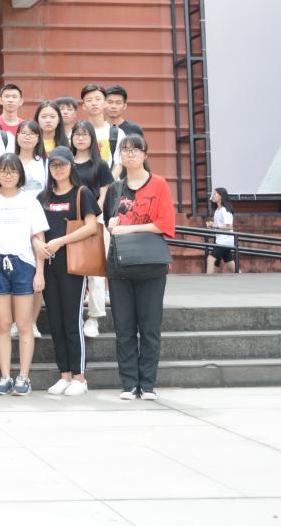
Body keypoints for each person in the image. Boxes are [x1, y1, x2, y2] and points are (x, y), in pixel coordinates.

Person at [106, 134, 175, 400]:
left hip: (150, 265)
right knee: (124, 327)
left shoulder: (158, 184)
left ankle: (147, 384)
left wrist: (128, 228)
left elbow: (164, 224)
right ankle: (128, 383)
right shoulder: (116, 188)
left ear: (146, 155)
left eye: (136, 150)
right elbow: (110, 222)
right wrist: (113, 225)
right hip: (120, 265)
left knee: (149, 326)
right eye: (125, 150)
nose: (130, 154)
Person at [39, 146, 102, 396]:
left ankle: (79, 377)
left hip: (73, 264)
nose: (58, 169)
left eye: (62, 165)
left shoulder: (81, 193)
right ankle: (64, 374)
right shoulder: (43, 197)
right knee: (55, 321)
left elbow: (91, 226)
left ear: (70, 166)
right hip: (49, 265)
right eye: (53, 165)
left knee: (72, 321)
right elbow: (36, 230)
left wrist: (60, 241)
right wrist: (41, 245)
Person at [0, 154, 48, 396]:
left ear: (20, 174)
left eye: (12, 171)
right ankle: (5, 376)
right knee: (2, 324)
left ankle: (23, 376)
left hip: (24, 264)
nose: (7, 175)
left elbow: (39, 238)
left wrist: (39, 272)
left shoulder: (30, 201)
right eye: (3, 170)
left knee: (23, 323)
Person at [69, 120, 113, 338]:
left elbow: (105, 193)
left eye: (85, 134)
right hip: (70, 221)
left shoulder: (100, 164)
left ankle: (93, 318)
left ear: (92, 138)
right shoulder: (66, 162)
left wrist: (95, 214)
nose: (80, 138)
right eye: (77, 134)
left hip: (95, 219)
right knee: (72, 270)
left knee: (95, 272)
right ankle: (73, 315)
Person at [80, 83, 122, 170]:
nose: (94, 103)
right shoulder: (76, 134)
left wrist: (108, 179)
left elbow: (118, 164)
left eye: (98, 99)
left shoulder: (117, 133)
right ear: (84, 106)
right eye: (89, 100)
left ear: (105, 103)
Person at [14, 119, 48, 197]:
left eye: (32, 134)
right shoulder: (10, 162)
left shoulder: (45, 163)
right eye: (23, 133)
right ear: (17, 136)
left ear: (38, 138)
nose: (27, 137)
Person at [206, 187, 236, 274]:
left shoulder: (224, 210)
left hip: (224, 241)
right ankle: (242, 277)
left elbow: (229, 226)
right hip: (221, 240)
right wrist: (212, 225)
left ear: (220, 196)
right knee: (231, 265)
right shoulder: (217, 211)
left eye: (215, 194)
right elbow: (219, 226)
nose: (213, 196)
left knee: (210, 259)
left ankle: (207, 280)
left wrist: (215, 226)